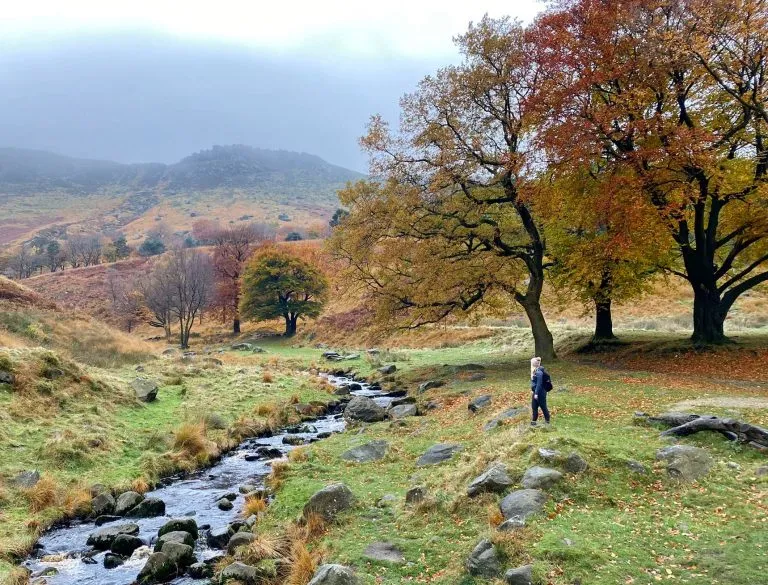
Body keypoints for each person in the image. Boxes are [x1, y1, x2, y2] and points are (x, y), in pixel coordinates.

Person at [530, 357, 551, 426]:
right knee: (534, 406)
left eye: (532, 363)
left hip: (540, 392)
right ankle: (534, 421)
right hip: (536, 391)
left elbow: (539, 384)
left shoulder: (539, 372)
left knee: (543, 406)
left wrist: (536, 393)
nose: (531, 364)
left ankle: (547, 420)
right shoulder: (536, 370)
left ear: (535, 364)